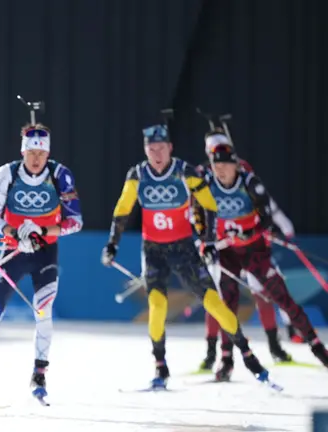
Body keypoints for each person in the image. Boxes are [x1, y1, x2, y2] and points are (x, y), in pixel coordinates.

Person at [101, 124, 271, 389]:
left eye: (161, 148)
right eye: (151, 149)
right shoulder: (138, 174)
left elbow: (209, 205)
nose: (156, 154)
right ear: (146, 150)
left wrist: (209, 242)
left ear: (170, 148)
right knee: (158, 307)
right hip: (154, 250)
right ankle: (161, 366)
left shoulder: (184, 171)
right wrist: (112, 244)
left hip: (183, 249)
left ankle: (249, 356)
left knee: (214, 303)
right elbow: (123, 209)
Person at [0, 123, 82, 402]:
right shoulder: (6, 174)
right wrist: (14, 233)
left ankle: (39, 374)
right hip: (13, 251)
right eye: (31, 152)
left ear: (48, 153)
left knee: (43, 311)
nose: (36, 158)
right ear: (23, 151)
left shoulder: (60, 175)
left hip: (45, 254)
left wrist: (42, 232)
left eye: (41, 152)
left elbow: (75, 222)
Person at [200, 144, 328, 375]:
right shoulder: (207, 185)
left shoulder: (249, 183)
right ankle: (226, 358)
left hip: (254, 250)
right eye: (216, 166)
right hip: (227, 252)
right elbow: (200, 217)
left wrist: (249, 233)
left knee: (282, 298)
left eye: (224, 166)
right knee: (227, 304)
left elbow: (267, 218)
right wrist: (207, 243)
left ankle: (318, 348)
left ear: (235, 166)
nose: (220, 171)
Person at [197, 130, 297, 368]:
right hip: (220, 247)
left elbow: (265, 205)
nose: (216, 159)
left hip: (249, 245)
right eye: (211, 153)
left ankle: (275, 347)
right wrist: (202, 239)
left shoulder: (244, 173)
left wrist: (277, 227)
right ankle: (213, 354)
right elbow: (195, 211)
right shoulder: (204, 177)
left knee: (262, 292)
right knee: (216, 298)